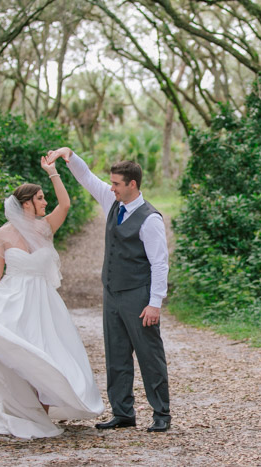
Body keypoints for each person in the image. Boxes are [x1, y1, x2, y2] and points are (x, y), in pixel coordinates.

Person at [0, 156, 104, 439]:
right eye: (39, 198)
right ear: (26, 203)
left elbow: (66, 204)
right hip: (13, 299)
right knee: (18, 354)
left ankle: (43, 411)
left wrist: (52, 173)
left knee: (49, 355)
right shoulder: (3, 234)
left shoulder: (45, 227)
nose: (44, 202)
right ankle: (22, 409)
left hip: (43, 303)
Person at [47, 147, 171, 433]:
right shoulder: (111, 201)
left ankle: (161, 413)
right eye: (111, 183)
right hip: (112, 292)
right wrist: (69, 156)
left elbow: (159, 264)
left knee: (149, 354)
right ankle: (123, 412)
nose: (111, 187)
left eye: (116, 183)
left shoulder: (150, 219)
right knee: (116, 353)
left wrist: (155, 303)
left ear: (132, 185)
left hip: (139, 295)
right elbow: (87, 178)